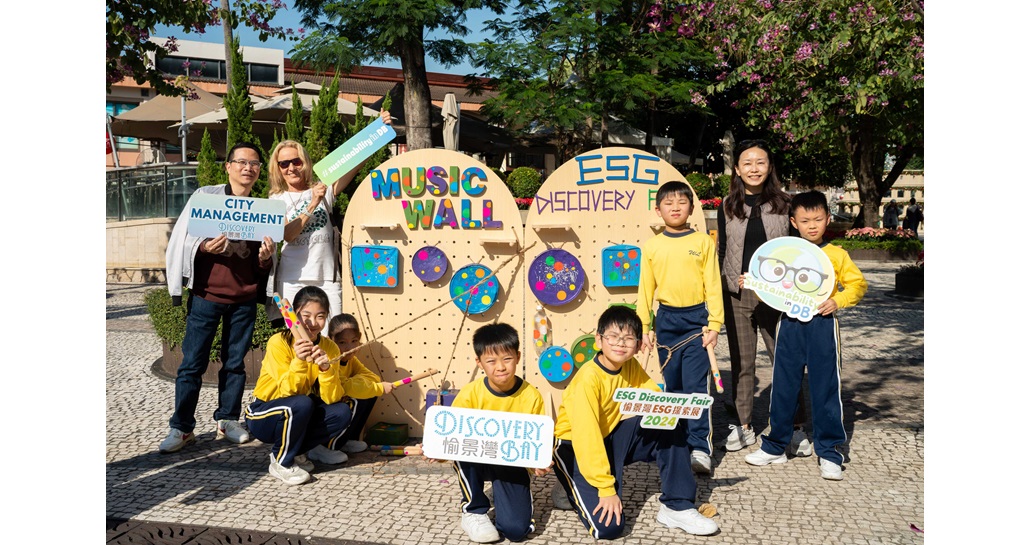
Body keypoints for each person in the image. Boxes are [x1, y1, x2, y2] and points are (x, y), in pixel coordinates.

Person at [552, 306, 719, 539]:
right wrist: (606, 488)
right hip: (574, 446)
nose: (620, 343)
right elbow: (586, 438)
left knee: (667, 422)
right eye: (613, 336)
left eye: (629, 338)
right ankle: (570, 483)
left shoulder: (629, 365)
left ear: (639, 344)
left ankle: (677, 506)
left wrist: (680, 407)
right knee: (609, 528)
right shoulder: (587, 380)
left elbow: (653, 398)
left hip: (607, 436)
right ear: (599, 340)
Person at [160, 141, 276, 454]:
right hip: (206, 296)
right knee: (191, 364)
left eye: (254, 163)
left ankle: (228, 420)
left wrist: (266, 258)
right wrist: (202, 248)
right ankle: (182, 427)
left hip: (244, 299)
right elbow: (184, 239)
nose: (248, 168)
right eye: (241, 162)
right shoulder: (206, 198)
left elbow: (263, 264)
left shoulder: (263, 210)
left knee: (235, 365)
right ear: (228, 166)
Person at [744, 191, 868, 481]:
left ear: (828, 218)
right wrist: (754, 283)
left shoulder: (837, 254)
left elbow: (858, 285)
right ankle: (775, 446)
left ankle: (829, 452)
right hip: (789, 324)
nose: (812, 225)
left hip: (822, 325)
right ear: (793, 222)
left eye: (818, 219)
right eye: (805, 220)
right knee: (783, 386)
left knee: (825, 388)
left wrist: (838, 300)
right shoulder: (785, 252)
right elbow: (770, 285)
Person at [716, 140, 811, 456]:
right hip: (737, 294)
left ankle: (795, 427)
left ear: (769, 167)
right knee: (742, 362)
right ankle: (742, 426)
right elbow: (723, 250)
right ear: (737, 169)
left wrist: (793, 290)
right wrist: (722, 288)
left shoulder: (785, 204)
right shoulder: (727, 205)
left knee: (784, 361)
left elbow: (798, 251)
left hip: (776, 296)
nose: (754, 168)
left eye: (760, 162)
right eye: (747, 163)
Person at [268, 111, 391, 334]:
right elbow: (287, 235)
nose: (291, 168)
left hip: (328, 277)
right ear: (278, 169)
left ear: (304, 162)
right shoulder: (276, 199)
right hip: (291, 278)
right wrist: (312, 204)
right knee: (297, 336)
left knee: (334, 333)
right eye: (284, 164)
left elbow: (354, 164)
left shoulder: (324, 189)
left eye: (296, 161)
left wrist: (378, 130)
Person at [636, 180, 723, 474]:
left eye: (681, 202)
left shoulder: (702, 242)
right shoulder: (652, 246)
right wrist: (645, 326)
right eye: (668, 203)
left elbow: (713, 285)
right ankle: (678, 445)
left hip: (697, 322)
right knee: (673, 387)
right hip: (666, 322)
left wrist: (715, 324)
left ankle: (700, 448)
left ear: (691, 208)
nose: (675, 208)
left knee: (696, 387)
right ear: (657, 210)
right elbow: (645, 290)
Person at [245, 286, 356, 485]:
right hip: (265, 412)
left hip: (299, 410)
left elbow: (332, 398)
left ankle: (303, 449)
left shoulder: (329, 347)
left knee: (341, 411)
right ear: (295, 314)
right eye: (306, 316)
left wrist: (326, 370)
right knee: (301, 403)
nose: (313, 323)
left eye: (320, 316)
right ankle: (281, 461)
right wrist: (299, 360)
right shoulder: (278, 342)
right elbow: (287, 392)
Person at [448, 323, 547, 543]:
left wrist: (538, 463)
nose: (500, 367)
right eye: (491, 361)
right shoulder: (470, 394)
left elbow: (536, 443)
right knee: (464, 444)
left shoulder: (532, 396)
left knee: (516, 531)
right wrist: (438, 451)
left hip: (511, 462)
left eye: (507, 358)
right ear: (479, 362)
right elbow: (451, 437)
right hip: (478, 459)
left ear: (518, 357)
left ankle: (504, 497)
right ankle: (473, 510)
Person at [326, 313, 395, 453]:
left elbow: (373, 377)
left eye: (354, 341)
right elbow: (344, 386)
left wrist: (357, 383)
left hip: (338, 401)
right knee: (359, 397)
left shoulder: (351, 360)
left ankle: (347, 439)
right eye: (342, 343)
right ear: (330, 341)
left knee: (367, 393)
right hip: (324, 407)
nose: (349, 347)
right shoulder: (330, 360)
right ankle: (329, 446)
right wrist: (360, 385)